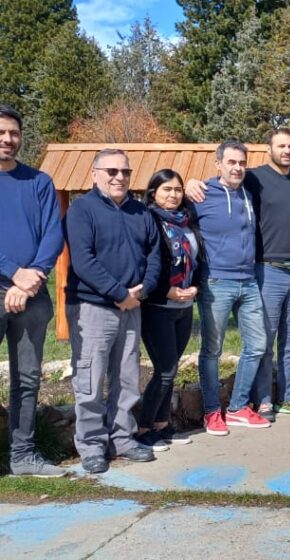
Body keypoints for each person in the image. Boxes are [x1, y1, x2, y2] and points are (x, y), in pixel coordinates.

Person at [186, 128, 290, 422]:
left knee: (285, 341)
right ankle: (261, 402)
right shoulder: (253, 179)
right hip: (259, 271)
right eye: (280, 145)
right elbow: (181, 197)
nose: (286, 150)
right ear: (268, 149)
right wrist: (189, 184)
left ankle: (286, 397)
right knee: (259, 343)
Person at [65, 148, 160, 473]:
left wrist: (142, 291)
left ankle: (123, 438)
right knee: (90, 380)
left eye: (125, 172)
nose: (119, 177)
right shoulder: (82, 210)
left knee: (128, 377)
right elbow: (83, 261)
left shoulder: (140, 212)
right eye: (111, 171)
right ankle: (91, 446)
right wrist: (119, 293)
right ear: (94, 174)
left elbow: (154, 255)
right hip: (92, 307)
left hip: (132, 307)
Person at [0, 106, 66, 477]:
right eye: (1, 132)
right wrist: (14, 273)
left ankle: (23, 455)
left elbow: (52, 233)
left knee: (27, 377)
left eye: (13, 132)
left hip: (33, 293)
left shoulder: (38, 181)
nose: (7, 139)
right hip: (9, 282)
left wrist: (34, 275)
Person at [192, 140, 270, 436]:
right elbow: (169, 205)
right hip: (216, 282)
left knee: (258, 345)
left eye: (241, 163)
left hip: (248, 281)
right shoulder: (202, 194)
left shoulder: (248, 196)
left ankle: (237, 408)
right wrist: (188, 185)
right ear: (218, 164)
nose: (237, 168)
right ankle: (212, 411)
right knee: (212, 350)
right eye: (232, 162)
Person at [136, 170, 200, 452]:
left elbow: (197, 258)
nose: (173, 195)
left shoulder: (186, 221)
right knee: (164, 369)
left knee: (170, 371)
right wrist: (166, 290)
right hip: (158, 306)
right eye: (166, 190)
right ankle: (143, 428)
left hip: (184, 306)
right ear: (153, 193)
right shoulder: (148, 220)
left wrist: (195, 286)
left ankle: (163, 425)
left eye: (177, 189)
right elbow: (146, 263)